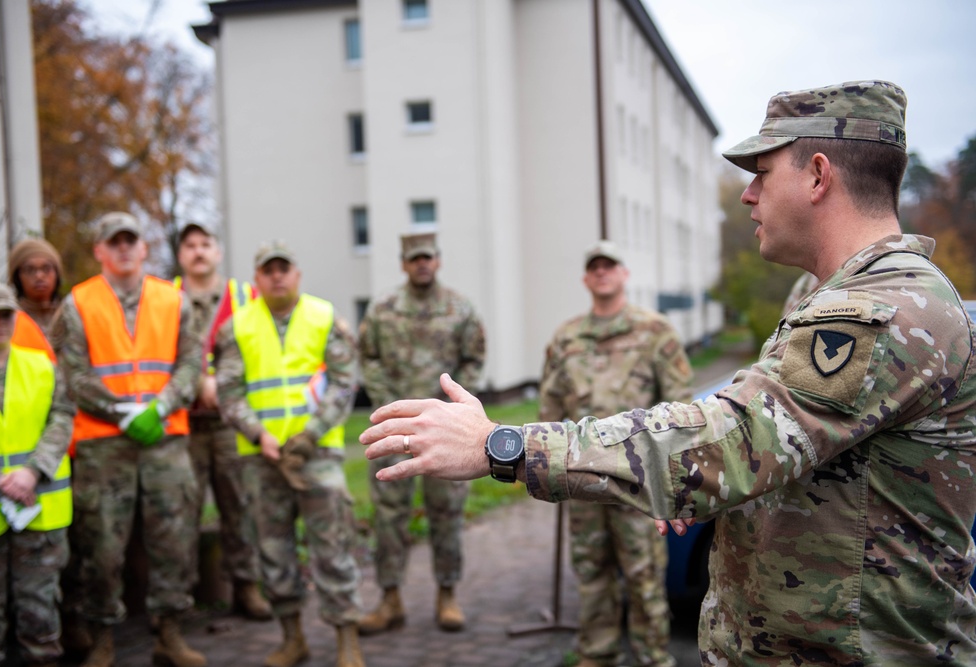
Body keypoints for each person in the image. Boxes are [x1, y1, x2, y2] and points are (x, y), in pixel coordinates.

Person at [359, 80, 976, 665]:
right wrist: (699, 485)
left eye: (761, 174)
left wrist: (504, 445)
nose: (747, 195)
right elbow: (769, 446)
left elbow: (730, 440)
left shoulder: (885, 311)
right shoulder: (829, 297)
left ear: (818, 175)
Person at [50, 212, 206, 667]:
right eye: (113, 242)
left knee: (174, 539)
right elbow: (72, 374)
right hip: (104, 445)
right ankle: (101, 637)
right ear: (99, 250)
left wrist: (158, 408)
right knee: (101, 545)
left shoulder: (173, 300)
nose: (122, 249)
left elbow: (192, 363)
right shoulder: (78, 304)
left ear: (143, 248)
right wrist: (123, 412)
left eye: (130, 241)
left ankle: (169, 632)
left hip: (165, 440)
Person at [539, 240, 693, 667]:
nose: (602, 272)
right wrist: (542, 470)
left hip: (638, 484)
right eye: (595, 267)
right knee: (592, 576)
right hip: (582, 482)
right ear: (586, 278)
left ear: (625, 274)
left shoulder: (655, 331)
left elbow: (681, 410)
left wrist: (674, 478)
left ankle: (653, 657)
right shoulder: (567, 337)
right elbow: (550, 410)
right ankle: (597, 654)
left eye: (610, 265)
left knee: (644, 579)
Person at [216, 240, 365, 667]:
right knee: (273, 552)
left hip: (317, 456)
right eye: (268, 270)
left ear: (297, 274)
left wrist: (313, 432)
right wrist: (257, 433)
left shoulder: (324, 317)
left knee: (333, 545)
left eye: (284, 268)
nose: (277, 276)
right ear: (257, 278)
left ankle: (347, 643)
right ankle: (292, 638)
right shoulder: (237, 327)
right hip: (262, 459)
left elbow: (343, 382)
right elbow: (228, 391)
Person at [356, 232, 486, 635]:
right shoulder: (383, 309)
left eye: (427, 257)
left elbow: (474, 357)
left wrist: (450, 408)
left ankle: (447, 594)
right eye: (414, 259)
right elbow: (368, 356)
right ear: (403, 263)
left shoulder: (459, 308)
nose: (422, 264)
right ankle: (389, 597)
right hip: (395, 429)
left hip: (448, 431)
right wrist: (390, 401)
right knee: (389, 515)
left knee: (446, 513)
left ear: (438, 260)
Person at [173, 220, 270, 621]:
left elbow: (261, 345)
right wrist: (194, 381)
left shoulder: (245, 296)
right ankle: (182, 597)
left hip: (232, 422)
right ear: (181, 255)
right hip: (183, 424)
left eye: (205, 244)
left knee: (239, 505)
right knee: (180, 510)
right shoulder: (165, 298)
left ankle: (245, 588)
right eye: (190, 245)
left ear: (218, 252)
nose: (198, 251)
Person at [0, 282, 73, 667]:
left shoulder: (42, 367)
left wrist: (33, 471)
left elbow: (62, 418)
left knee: (41, 608)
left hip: (39, 510)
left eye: (6, 315)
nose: (0, 323)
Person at [8, 238, 63, 360]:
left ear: (57, 274)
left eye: (46, 268)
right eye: (30, 270)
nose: (39, 276)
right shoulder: (8, 319)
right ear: (17, 277)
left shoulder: (72, 314)